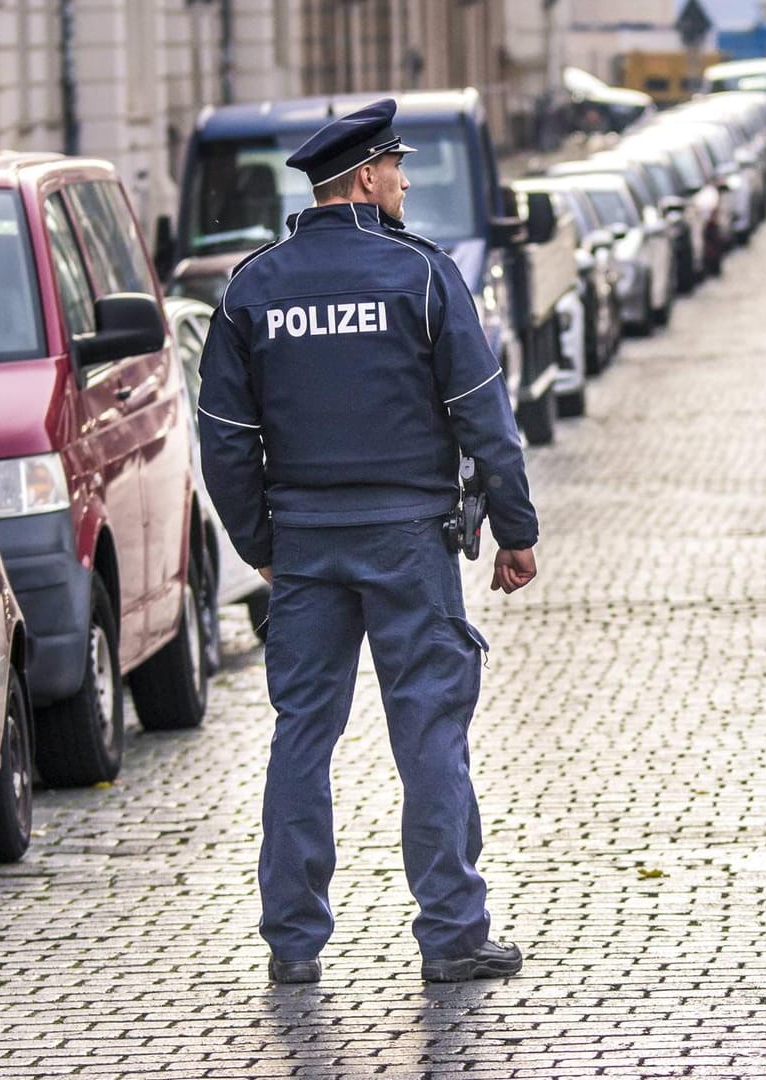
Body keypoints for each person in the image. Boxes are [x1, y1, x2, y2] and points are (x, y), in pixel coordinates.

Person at [197, 98, 539, 986]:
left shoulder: (252, 287)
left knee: (301, 734)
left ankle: (292, 942)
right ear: (362, 179)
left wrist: (260, 539)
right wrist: (515, 527)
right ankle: (454, 934)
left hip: (306, 546)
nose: (405, 181)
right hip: (408, 542)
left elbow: (225, 436)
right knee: (427, 728)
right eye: (396, 168)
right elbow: (482, 414)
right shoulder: (420, 278)